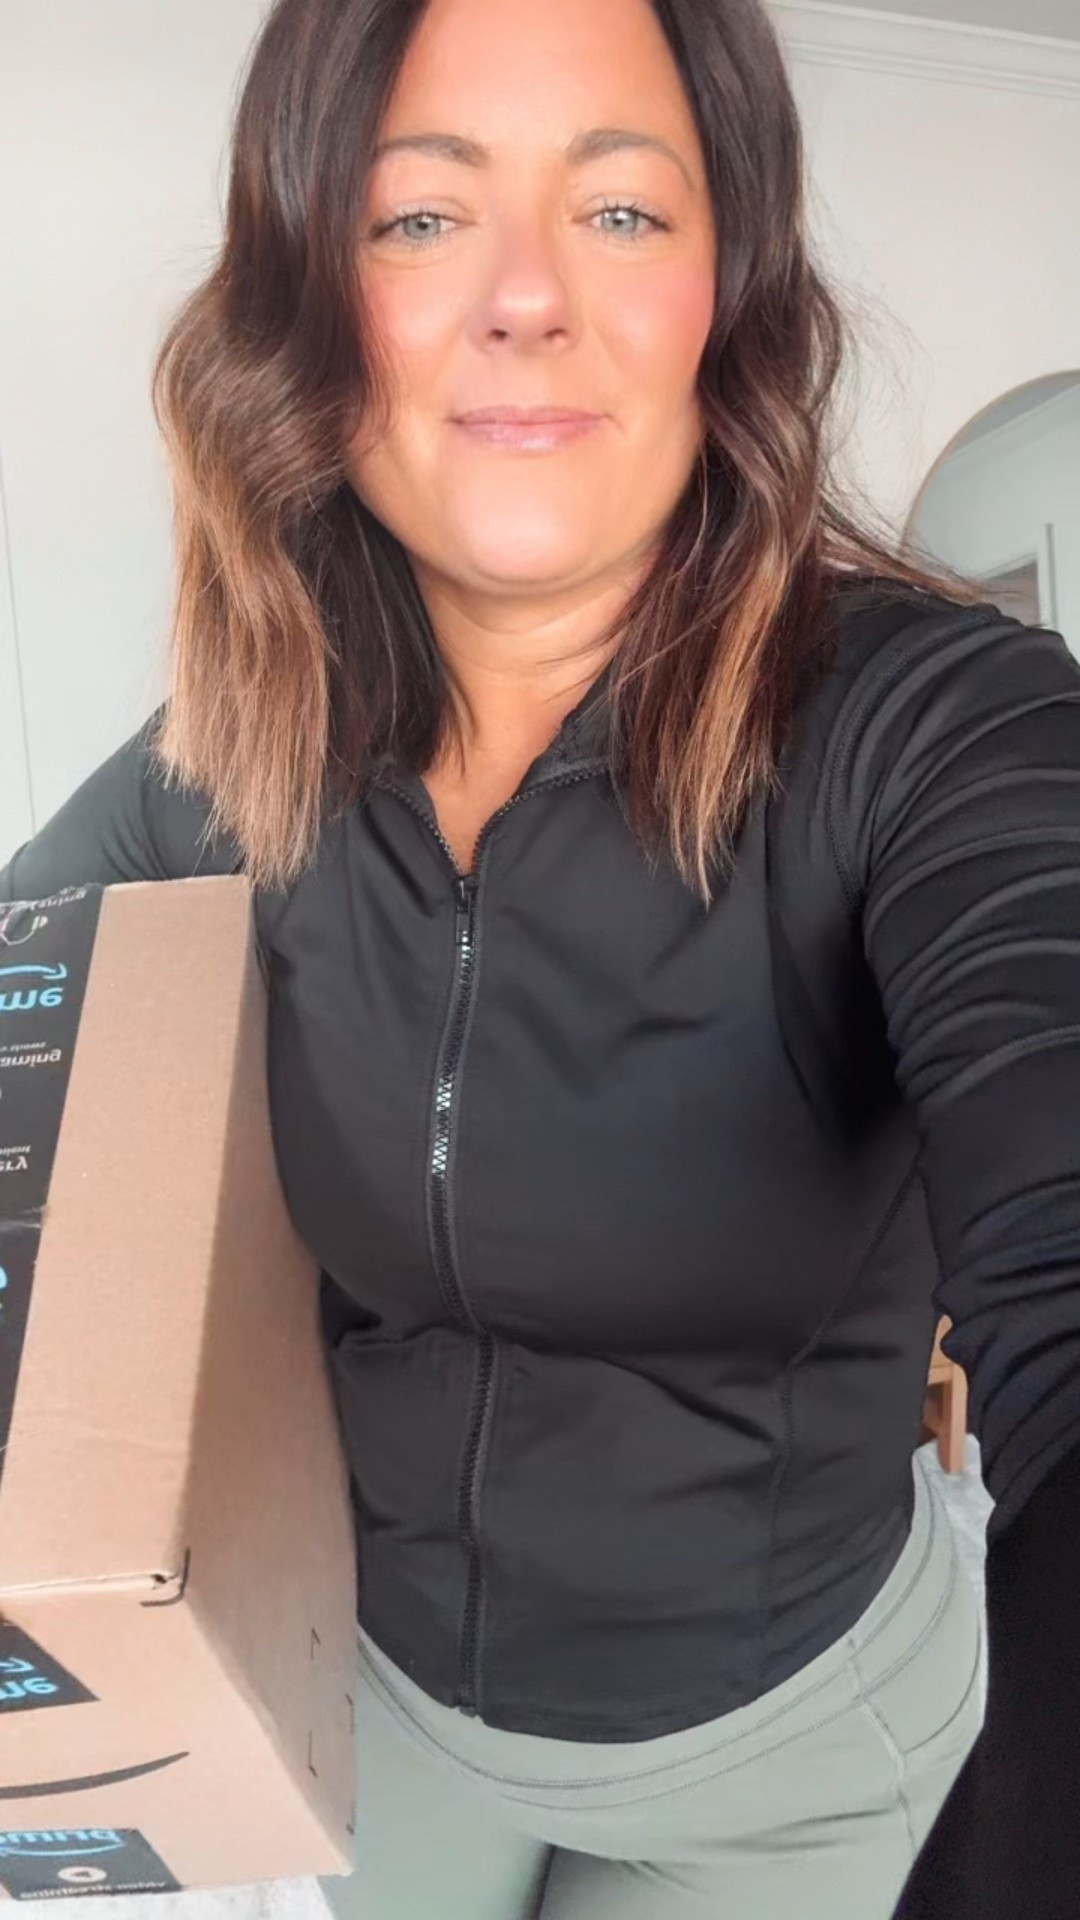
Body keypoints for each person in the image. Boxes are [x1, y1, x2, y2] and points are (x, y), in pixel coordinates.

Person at [3, 0, 1079, 1913]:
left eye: (624, 212)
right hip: (386, 1699)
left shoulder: (936, 733)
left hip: (796, 1760)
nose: (526, 300)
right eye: (421, 218)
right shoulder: (250, 748)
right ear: (309, 308)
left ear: (728, 294)